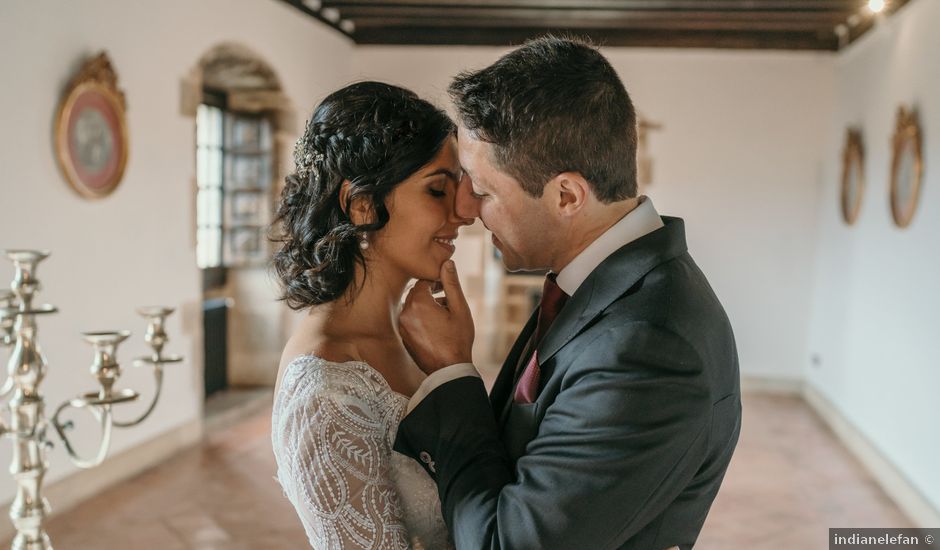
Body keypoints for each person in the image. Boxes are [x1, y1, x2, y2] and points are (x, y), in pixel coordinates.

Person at [394, 36, 742, 550]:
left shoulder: (648, 347)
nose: (465, 209)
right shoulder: (599, 284)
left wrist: (452, 372)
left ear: (566, 195)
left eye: (483, 190)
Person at [269, 81, 471, 549]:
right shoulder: (323, 392)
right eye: (438, 190)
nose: (463, 212)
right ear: (361, 205)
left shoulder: (411, 336)